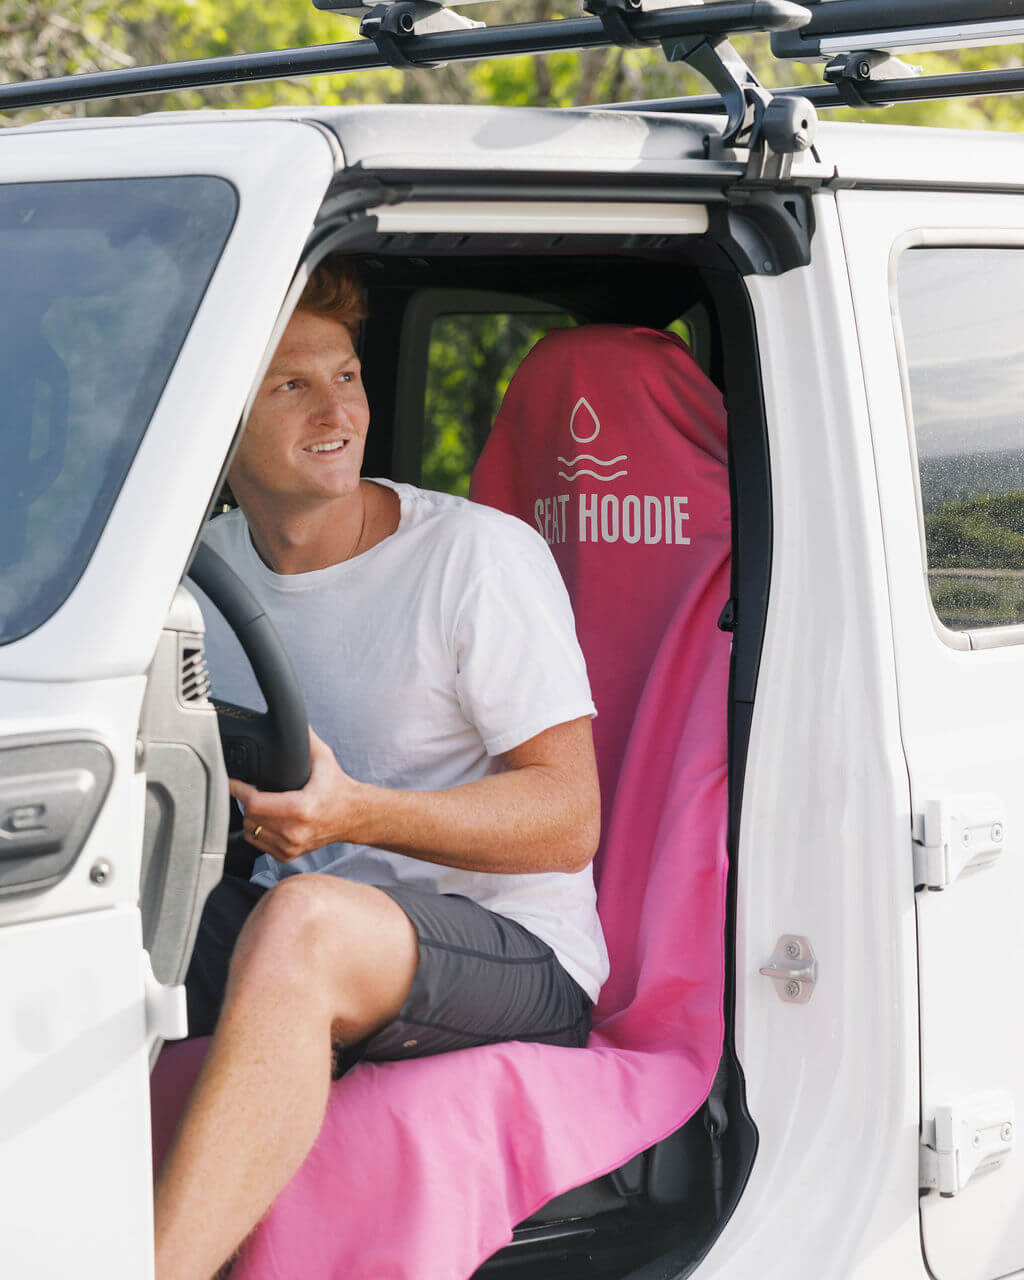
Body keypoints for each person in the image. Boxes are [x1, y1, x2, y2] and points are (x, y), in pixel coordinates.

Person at [154, 257, 609, 1280]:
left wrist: (355, 809)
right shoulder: (192, 574)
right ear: (218, 427)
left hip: (512, 946)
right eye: (292, 384)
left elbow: (567, 815)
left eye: (347, 375)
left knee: (303, 923)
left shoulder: (476, 558)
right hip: (298, 905)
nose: (337, 410)